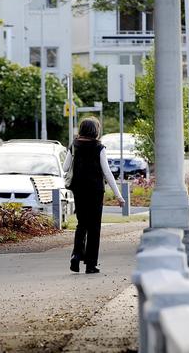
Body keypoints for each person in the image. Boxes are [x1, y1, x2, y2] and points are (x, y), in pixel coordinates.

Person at [63, 117, 125, 274]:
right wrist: (119, 195)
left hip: (78, 189)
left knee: (81, 224)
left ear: (82, 129)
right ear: (95, 130)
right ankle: (90, 265)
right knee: (94, 227)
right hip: (95, 191)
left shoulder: (74, 145)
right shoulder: (99, 147)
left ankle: (76, 256)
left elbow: (65, 167)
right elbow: (107, 173)